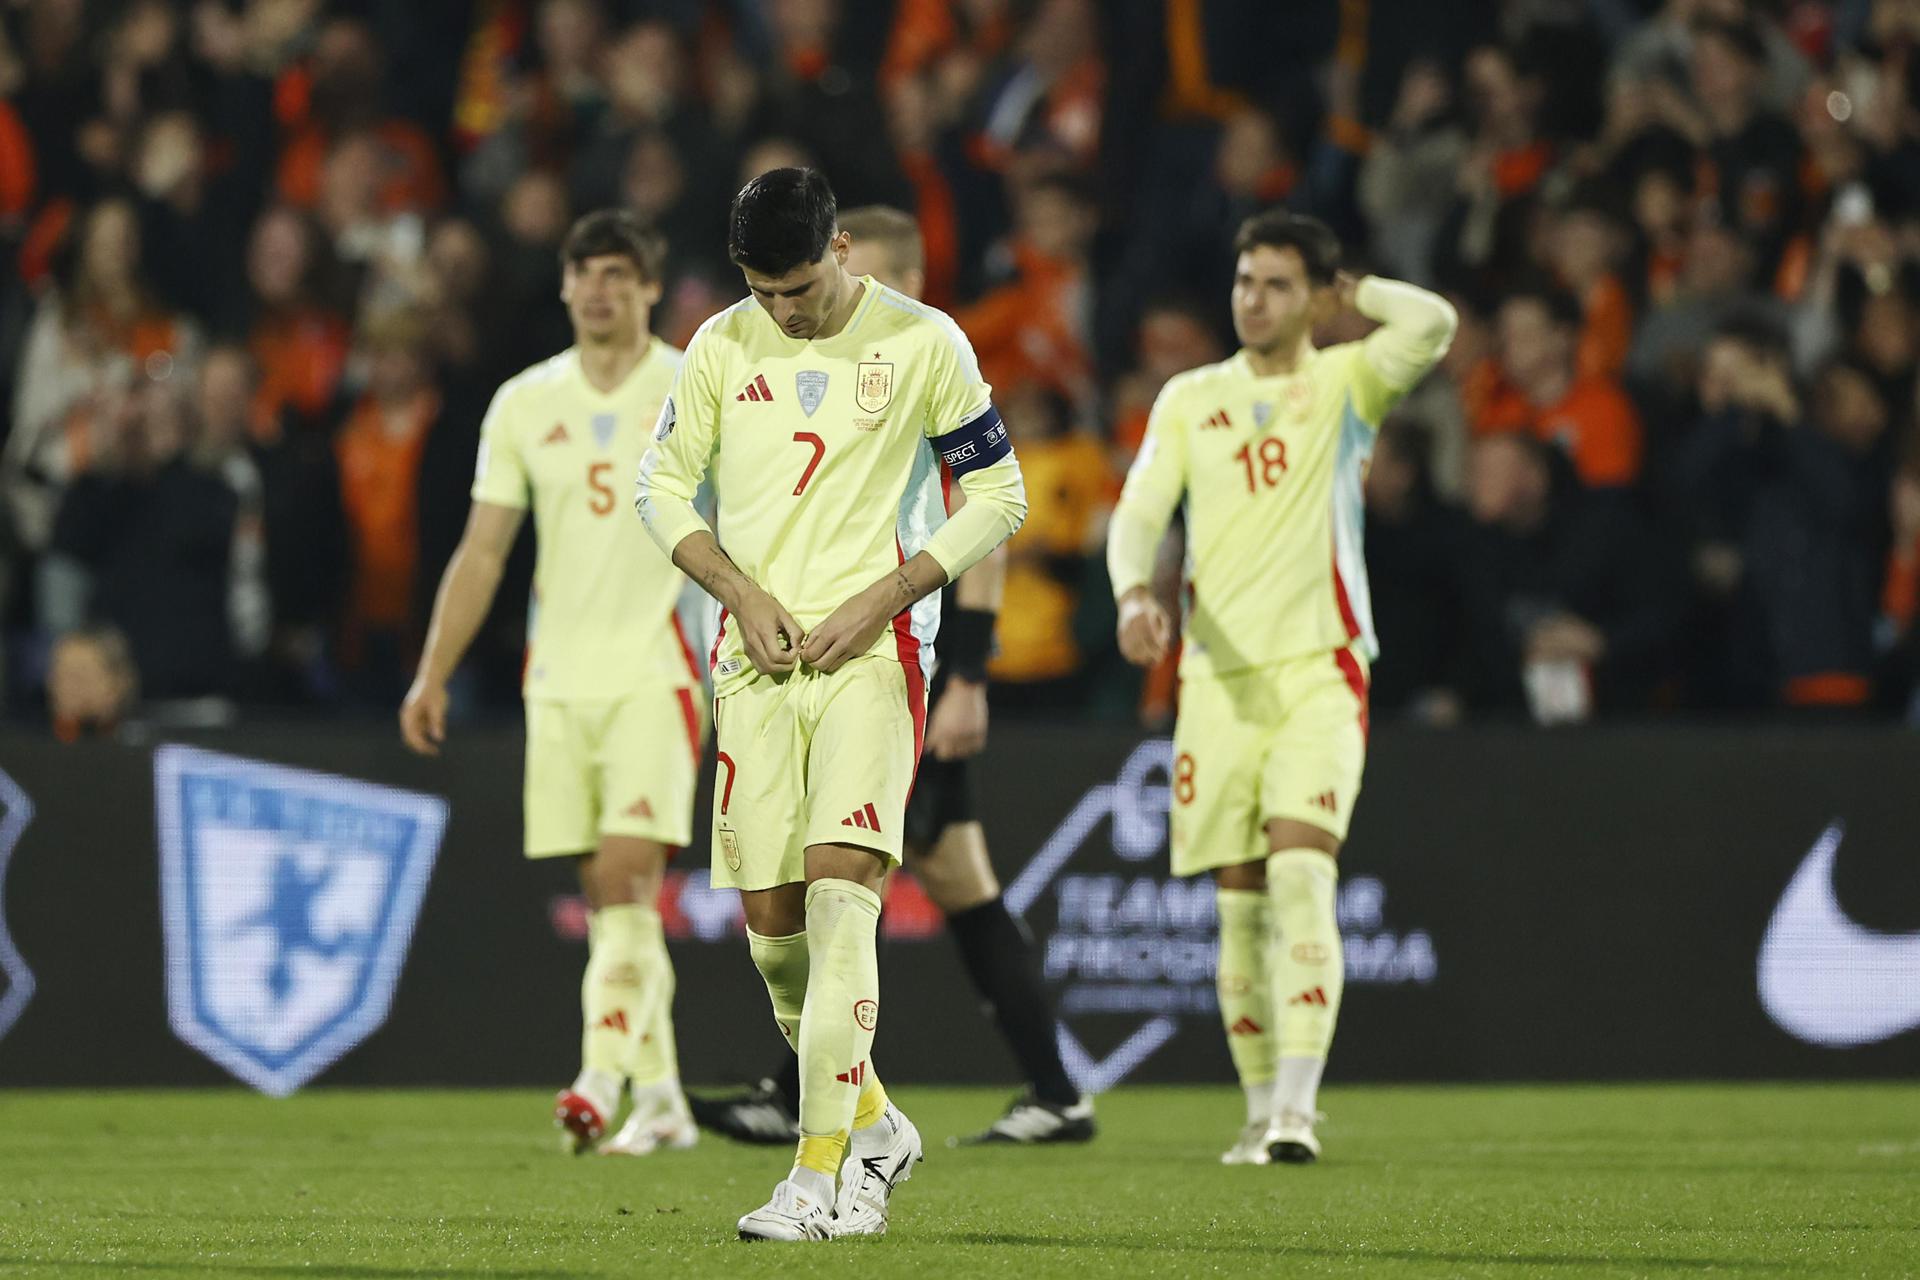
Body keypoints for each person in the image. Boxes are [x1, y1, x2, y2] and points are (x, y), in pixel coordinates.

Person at [636, 169, 1026, 1241]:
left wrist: (889, 595)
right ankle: (877, 1122)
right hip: (755, 656)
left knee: (840, 892)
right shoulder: (721, 345)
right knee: (774, 936)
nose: (785, 310)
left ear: (842, 249)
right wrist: (741, 592)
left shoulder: (923, 341)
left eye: (800, 287)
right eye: (764, 290)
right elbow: (659, 486)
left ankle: (817, 1179)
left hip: (877, 652)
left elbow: (999, 492)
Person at [688, 205, 1092, 1150]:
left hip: (905, 663)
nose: (804, 308)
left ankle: (827, 1107)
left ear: (882, 266)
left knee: (860, 882)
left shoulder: (923, 364)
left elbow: (986, 524)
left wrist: (968, 678)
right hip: (843, 661)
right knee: (938, 880)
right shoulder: (811, 367)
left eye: (827, 279)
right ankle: (1037, 1088)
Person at [1106, 210, 1456, 1165]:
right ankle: (1260, 1111)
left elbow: (1430, 324)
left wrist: (1358, 296)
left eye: (1275, 284)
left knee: (1305, 870)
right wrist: (1135, 593)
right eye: (1244, 280)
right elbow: (1138, 512)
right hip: (1217, 683)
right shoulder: (1190, 398)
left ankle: (1298, 1110)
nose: (1252, 299)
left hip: (1319, 666)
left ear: (1314, 297)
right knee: (1240, 901)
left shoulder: (1345, 382)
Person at [399, 210, 702, 1159]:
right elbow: (483, 551)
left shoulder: (695, 385)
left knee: (624, 876)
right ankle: (663, 1103)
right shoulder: (525, 402)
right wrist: (432, 670)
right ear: (566, 288)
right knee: (613, 902)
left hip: (661, 668)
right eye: (586, 274)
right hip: (559, 678)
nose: (601, 288)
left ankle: (597, 1079)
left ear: (650, 287)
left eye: (620, 272)